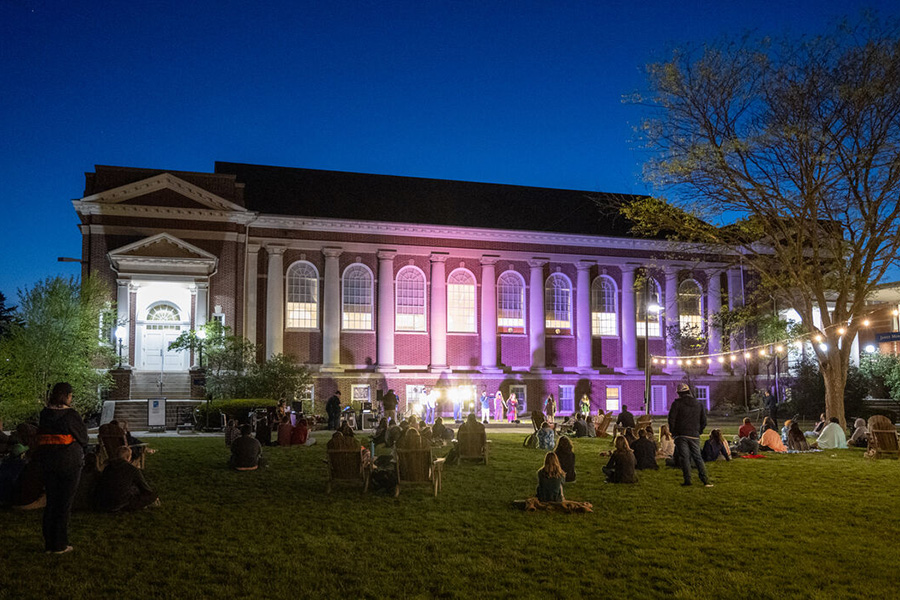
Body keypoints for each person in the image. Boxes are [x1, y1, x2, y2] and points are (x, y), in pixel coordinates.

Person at [35, 382, 88, 554]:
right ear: (66, 396)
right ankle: (60, 544)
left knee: (51, 502)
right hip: (69, 462)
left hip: (48, 462)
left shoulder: (45, 414)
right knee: (64, 503)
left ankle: (49, 543)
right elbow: (83, 438)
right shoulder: (71, 415)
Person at [667, 382, 712, 487]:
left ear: (679, 393)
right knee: (698, 458)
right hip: (694, 434)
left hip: (681, 435)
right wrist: (698, 431)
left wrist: (674, 432)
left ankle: (688, 480)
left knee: (685, 458)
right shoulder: (698, 404)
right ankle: (705, 480)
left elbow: (671, 420)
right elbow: (704, 421)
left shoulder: (677, 404)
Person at [94, 446, 159, 512]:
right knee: (151, 495)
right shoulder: (132, 469)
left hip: (104, 502)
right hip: (121, 502)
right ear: (128, 457)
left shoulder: (108, 468)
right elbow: (144, 487)